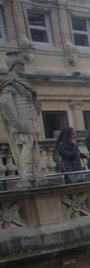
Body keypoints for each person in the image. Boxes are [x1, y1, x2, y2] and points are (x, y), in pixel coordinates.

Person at [0, 50, 43, 183]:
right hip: (21, 120)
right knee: (26, 144)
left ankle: (37, 171)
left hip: (30, 117)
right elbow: (6, 104)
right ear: (14, 66)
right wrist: (17, 123)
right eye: (20, 65)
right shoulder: (9, 83)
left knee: (34, 144)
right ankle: (27, 172)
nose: (23, 68)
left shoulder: (23, 82)